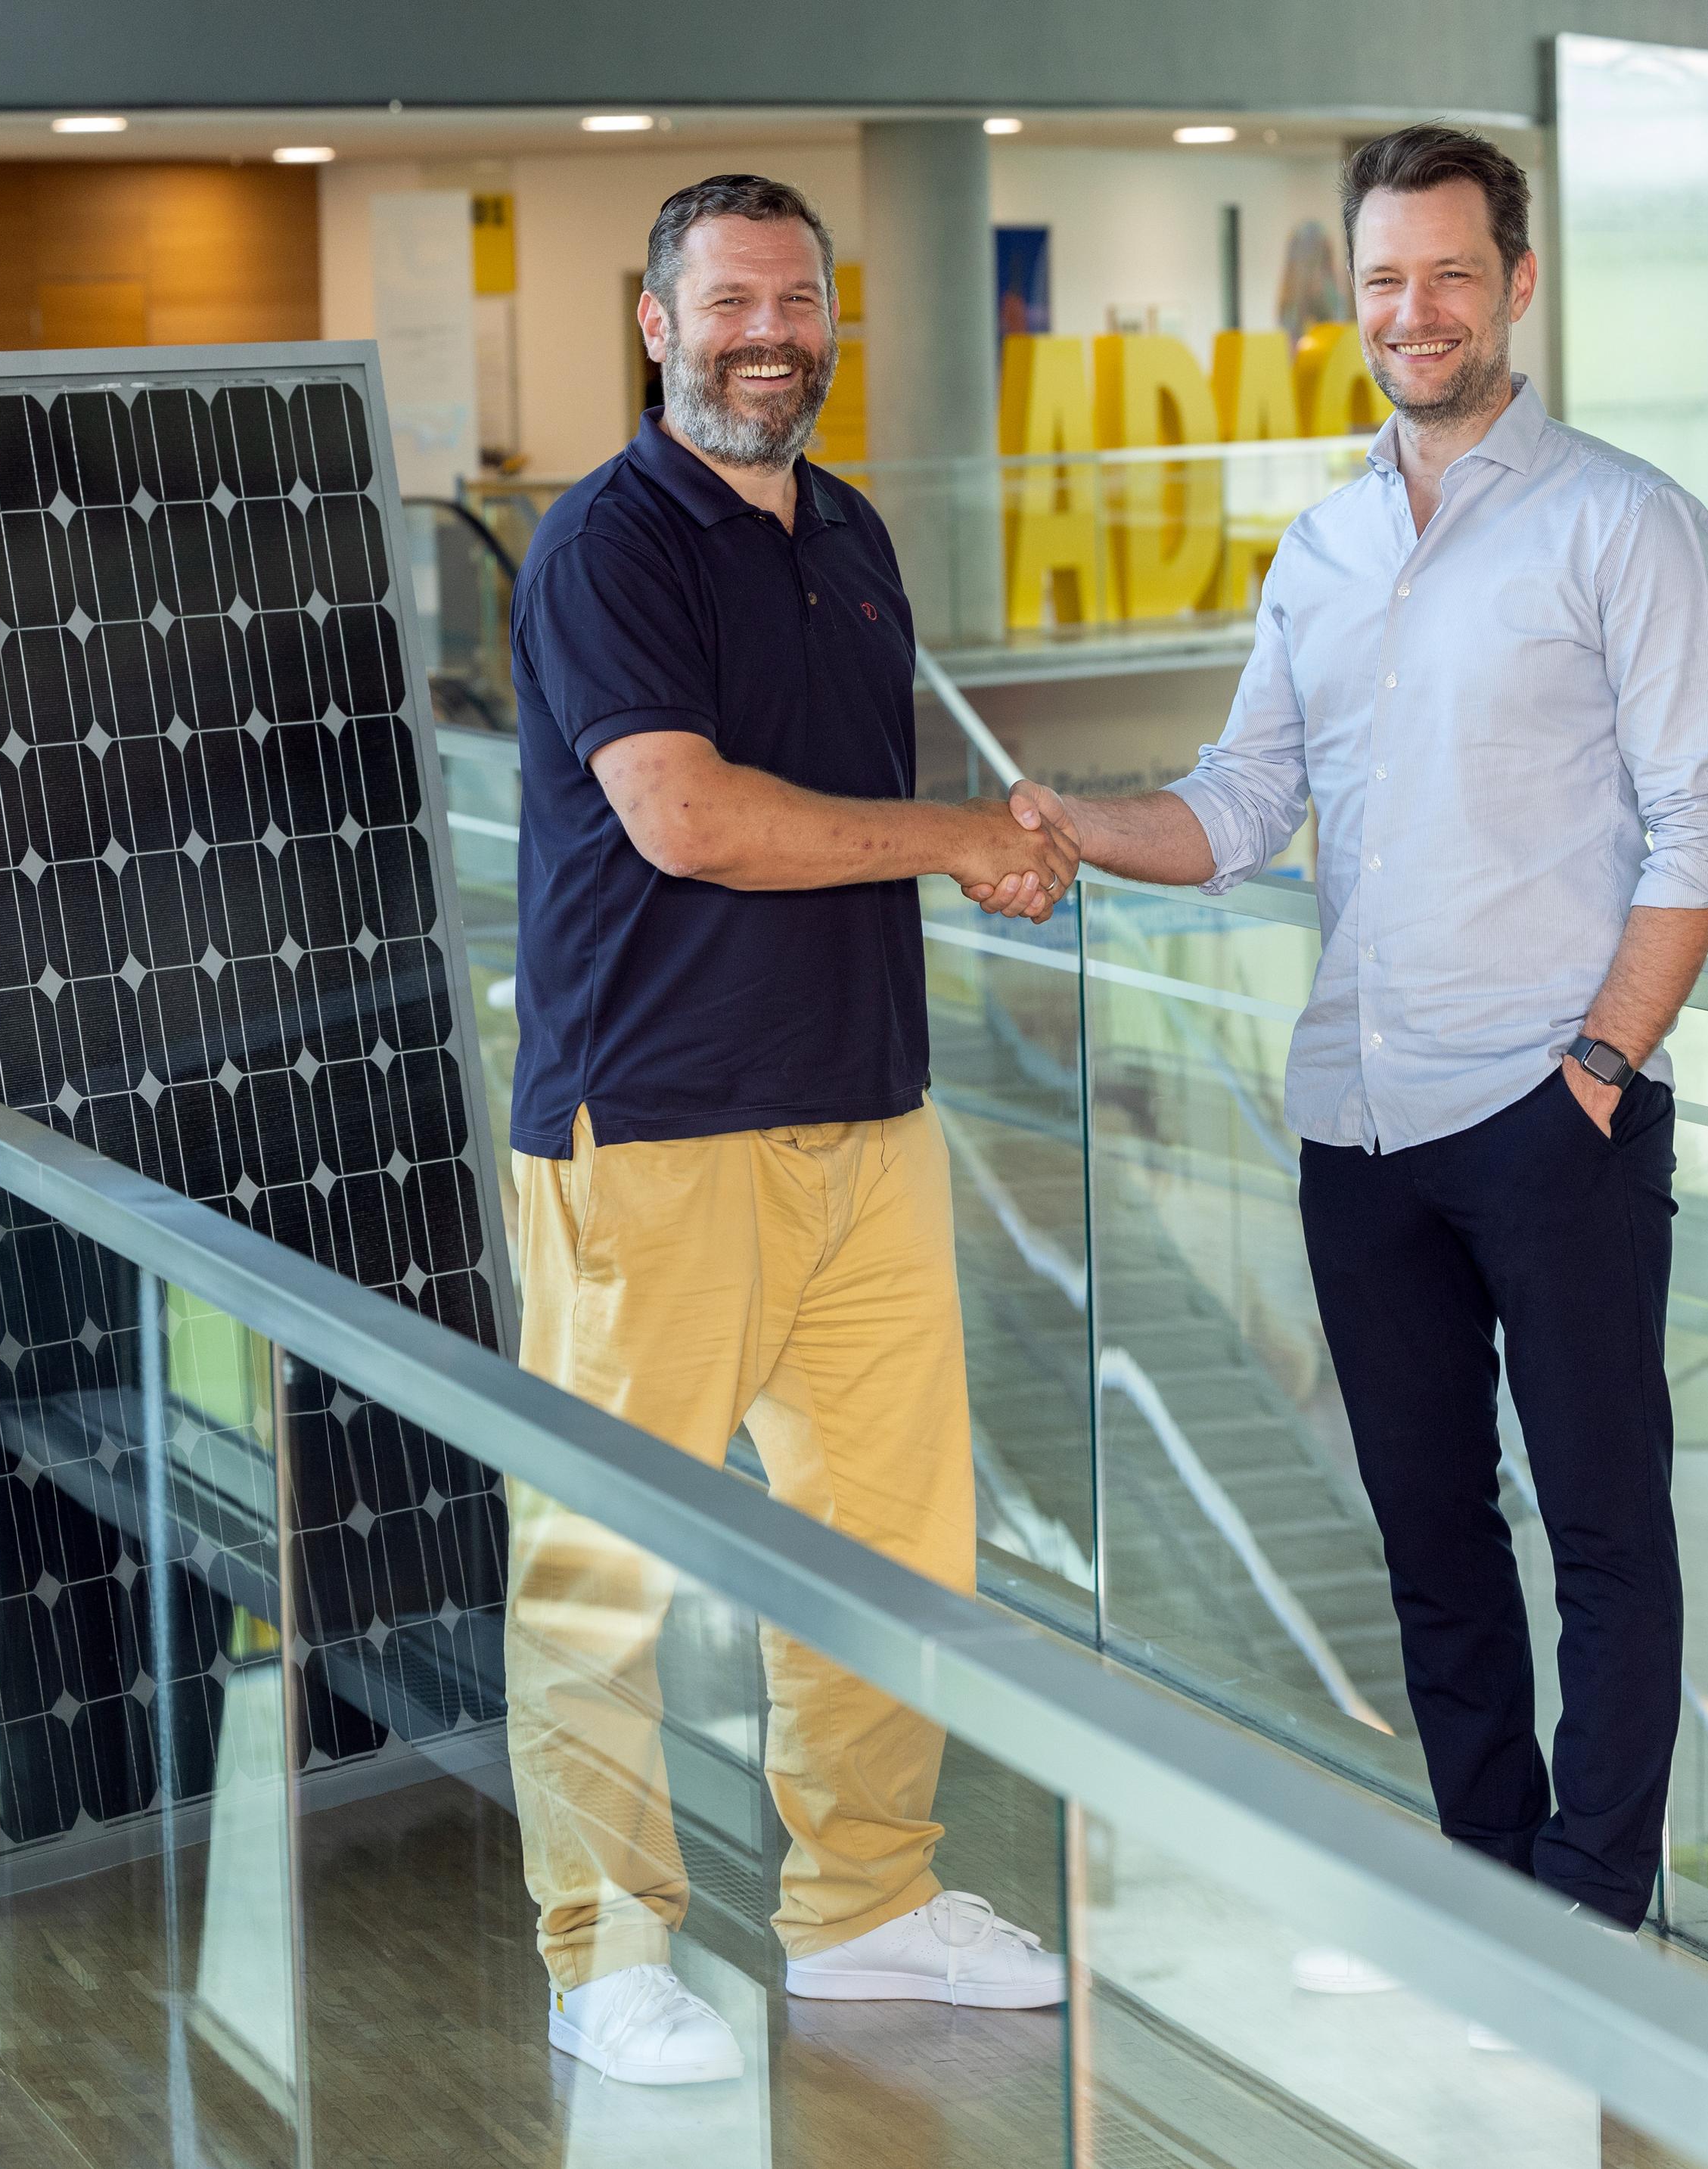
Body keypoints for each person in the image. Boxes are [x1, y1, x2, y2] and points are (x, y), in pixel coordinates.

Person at [998, 125, 1708, 1938]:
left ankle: (1596, 1907)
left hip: (1549, 1110)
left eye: (1450, 274)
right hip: (1357, 1122)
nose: (1415, 312)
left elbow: (1705, 827)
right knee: (1427, 1532)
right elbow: (1243, 801)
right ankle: (1493, 1888)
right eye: (1385, 279)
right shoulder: (1323, 548)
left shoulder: (1625, 524)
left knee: (1603, 1535)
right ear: (1354, 295)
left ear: (1517, 285)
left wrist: (1598, 1069)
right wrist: (1063, 827)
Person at [503, 172, 1072, 2089]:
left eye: (800, 302)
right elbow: (690, 818)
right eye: (731, 301)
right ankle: (606, 1947)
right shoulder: (608, 545)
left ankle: (864, 1909)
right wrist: (962, 841)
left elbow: (839, 808)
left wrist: (969, 851)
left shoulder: (849, 532)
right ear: (655, 322)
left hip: (866, 1119)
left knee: (893, 1548)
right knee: (604, 1560)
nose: (771, 333)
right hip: (654, 1127)